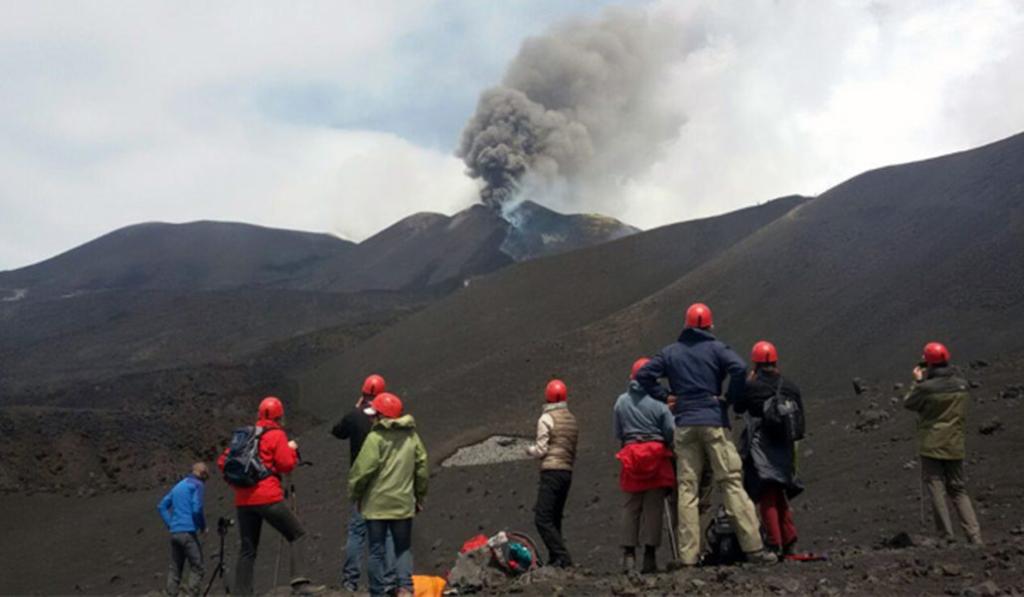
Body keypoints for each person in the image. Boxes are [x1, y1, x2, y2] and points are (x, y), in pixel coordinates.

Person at [636, 303, 776, 566]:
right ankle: (754, 548)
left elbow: (644, 375)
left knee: (687, 489)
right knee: (730, 482)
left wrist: (666, 396)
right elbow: (738, 368)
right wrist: (728, 399)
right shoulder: (717, 349)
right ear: (709, 325)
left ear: (686, 325)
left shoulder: (671, 353)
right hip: (713, 420)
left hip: (685, 423)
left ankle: (688, 556)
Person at [217, 396, 325, 595]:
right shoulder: (276, 434)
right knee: (297, 534)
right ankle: (300, 583)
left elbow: (223, 462)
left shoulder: (246, 436)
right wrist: (292, 451)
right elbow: (285, 464)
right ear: (279, 416)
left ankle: (242, 593)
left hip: (243, 500)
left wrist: (240, 485)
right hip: (268, 497)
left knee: (248, 549)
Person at [348, 392, 429, 597]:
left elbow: (362, 470)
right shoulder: (412, 437)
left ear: (381, 416)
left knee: (376, 551)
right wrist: (419, 496)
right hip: (402, 503)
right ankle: (405, 589)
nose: (371, 417)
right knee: (403, 548)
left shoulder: (375, 438)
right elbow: (421, 466)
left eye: (374, 414)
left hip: (376, 506)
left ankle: (378, 593)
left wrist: (355, 494)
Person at [903, 342, 983, 545]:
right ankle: (975, 536)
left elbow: (909, 403)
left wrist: (918, 382)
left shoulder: (927, 388)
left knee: (936, 488)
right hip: (955, 442)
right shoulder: (962, 385)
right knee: (958, 489)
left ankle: (946, 536)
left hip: (932, 443)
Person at [734, 341, 805, 556]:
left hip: (761, 446)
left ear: (755, 363)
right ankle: (789, 540)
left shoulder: (753, 387)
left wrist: (746, 383)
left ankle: (773, 543)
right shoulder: (790, 386)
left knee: (766, 492)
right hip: (785, 444)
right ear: (775, 361)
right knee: (780, 489)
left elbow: (738, 407)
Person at [332, 374, 396, 592]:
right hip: (384, 480)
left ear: (364, 393)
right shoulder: (388, 417)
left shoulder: (355, 416)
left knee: (357, 531)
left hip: (361, 481)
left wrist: (354, 409)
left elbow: (337, 431)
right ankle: (388, 580)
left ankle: (350, 581)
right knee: (386, 531)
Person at [613, 358, 676, 574]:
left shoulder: (621, 402)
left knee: (631, 508)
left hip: (631, 458)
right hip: (656, 457)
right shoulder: (660, 403)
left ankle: (628, 556)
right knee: (654, 509)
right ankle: (650, 557)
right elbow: (670, 431)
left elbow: (618, 432)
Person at [527, 379, 579, 568]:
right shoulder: (571, 419)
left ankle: (562, 556)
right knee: (555, 516)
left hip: (551, 470)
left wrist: (529, 451)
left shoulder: (546, 419)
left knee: (542, 518)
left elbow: (541, 450)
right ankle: (555, 559)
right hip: (567, 471)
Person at [157, 462, 209, 597]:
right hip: (188, 533)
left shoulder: (178, 486)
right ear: (202, 474)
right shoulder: (197, 485)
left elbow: (161, 506)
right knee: (197, 567)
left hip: (175, 533)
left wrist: (171, 524)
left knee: (175, 569)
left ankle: (171, 594)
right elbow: (197, 508)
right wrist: (202, 526)